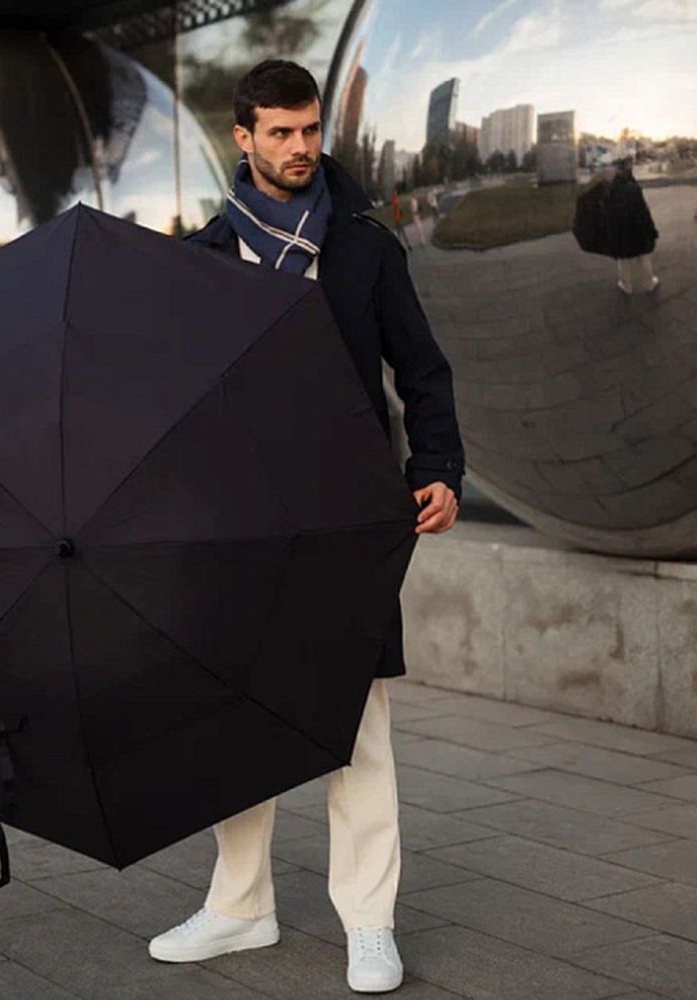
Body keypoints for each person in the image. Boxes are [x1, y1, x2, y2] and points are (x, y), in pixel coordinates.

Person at [148, 59, 464, 995]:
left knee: (354, 723)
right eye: (280, 132)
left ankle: (369, 922)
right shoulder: (202, 261)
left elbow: (424, 371)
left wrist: (438, 468)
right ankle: (240, 907)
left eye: (310, 130)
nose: (299, 148)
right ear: (242, 138)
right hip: (236, 526)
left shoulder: (364, 247)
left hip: (347, 519)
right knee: (233, 718)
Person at [608, 157, 659, 294]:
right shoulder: (634, 187)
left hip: (621, 228)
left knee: (623, 257)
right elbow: (643, 210)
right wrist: (651, 228)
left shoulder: (613, 188)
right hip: (638, 226)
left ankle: (626, 285)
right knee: (643, 255)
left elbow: (610, 211)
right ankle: (649, 283)